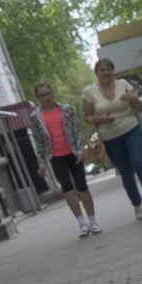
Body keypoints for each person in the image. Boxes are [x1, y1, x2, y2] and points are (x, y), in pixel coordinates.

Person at [82, 58, 142, 221]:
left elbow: (140, 109)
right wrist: (101, 119)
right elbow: (87, 118)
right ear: (96, 72)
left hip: (131, 130)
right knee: (126, 173)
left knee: (140, 164)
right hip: (110, 137)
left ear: (113, 71)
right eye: (102, 70)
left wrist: (132, 99)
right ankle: (136, 205)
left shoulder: (124, 85)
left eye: (108, 69)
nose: (106, 72)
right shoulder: (89, 92)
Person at [30, 81, 100, 236]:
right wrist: (41, 164)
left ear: (52, 93)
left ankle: (93, 221)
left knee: (82, 186)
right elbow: (39, 141)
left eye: (48, 93)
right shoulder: (35, 117)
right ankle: (82, 224)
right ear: (37, 97)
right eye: (42, 95)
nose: (46, 97)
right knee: (67, 188)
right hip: (55, 156)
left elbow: (76, 130)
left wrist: (81, 151)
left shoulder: (66, 109)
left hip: (73, 152)